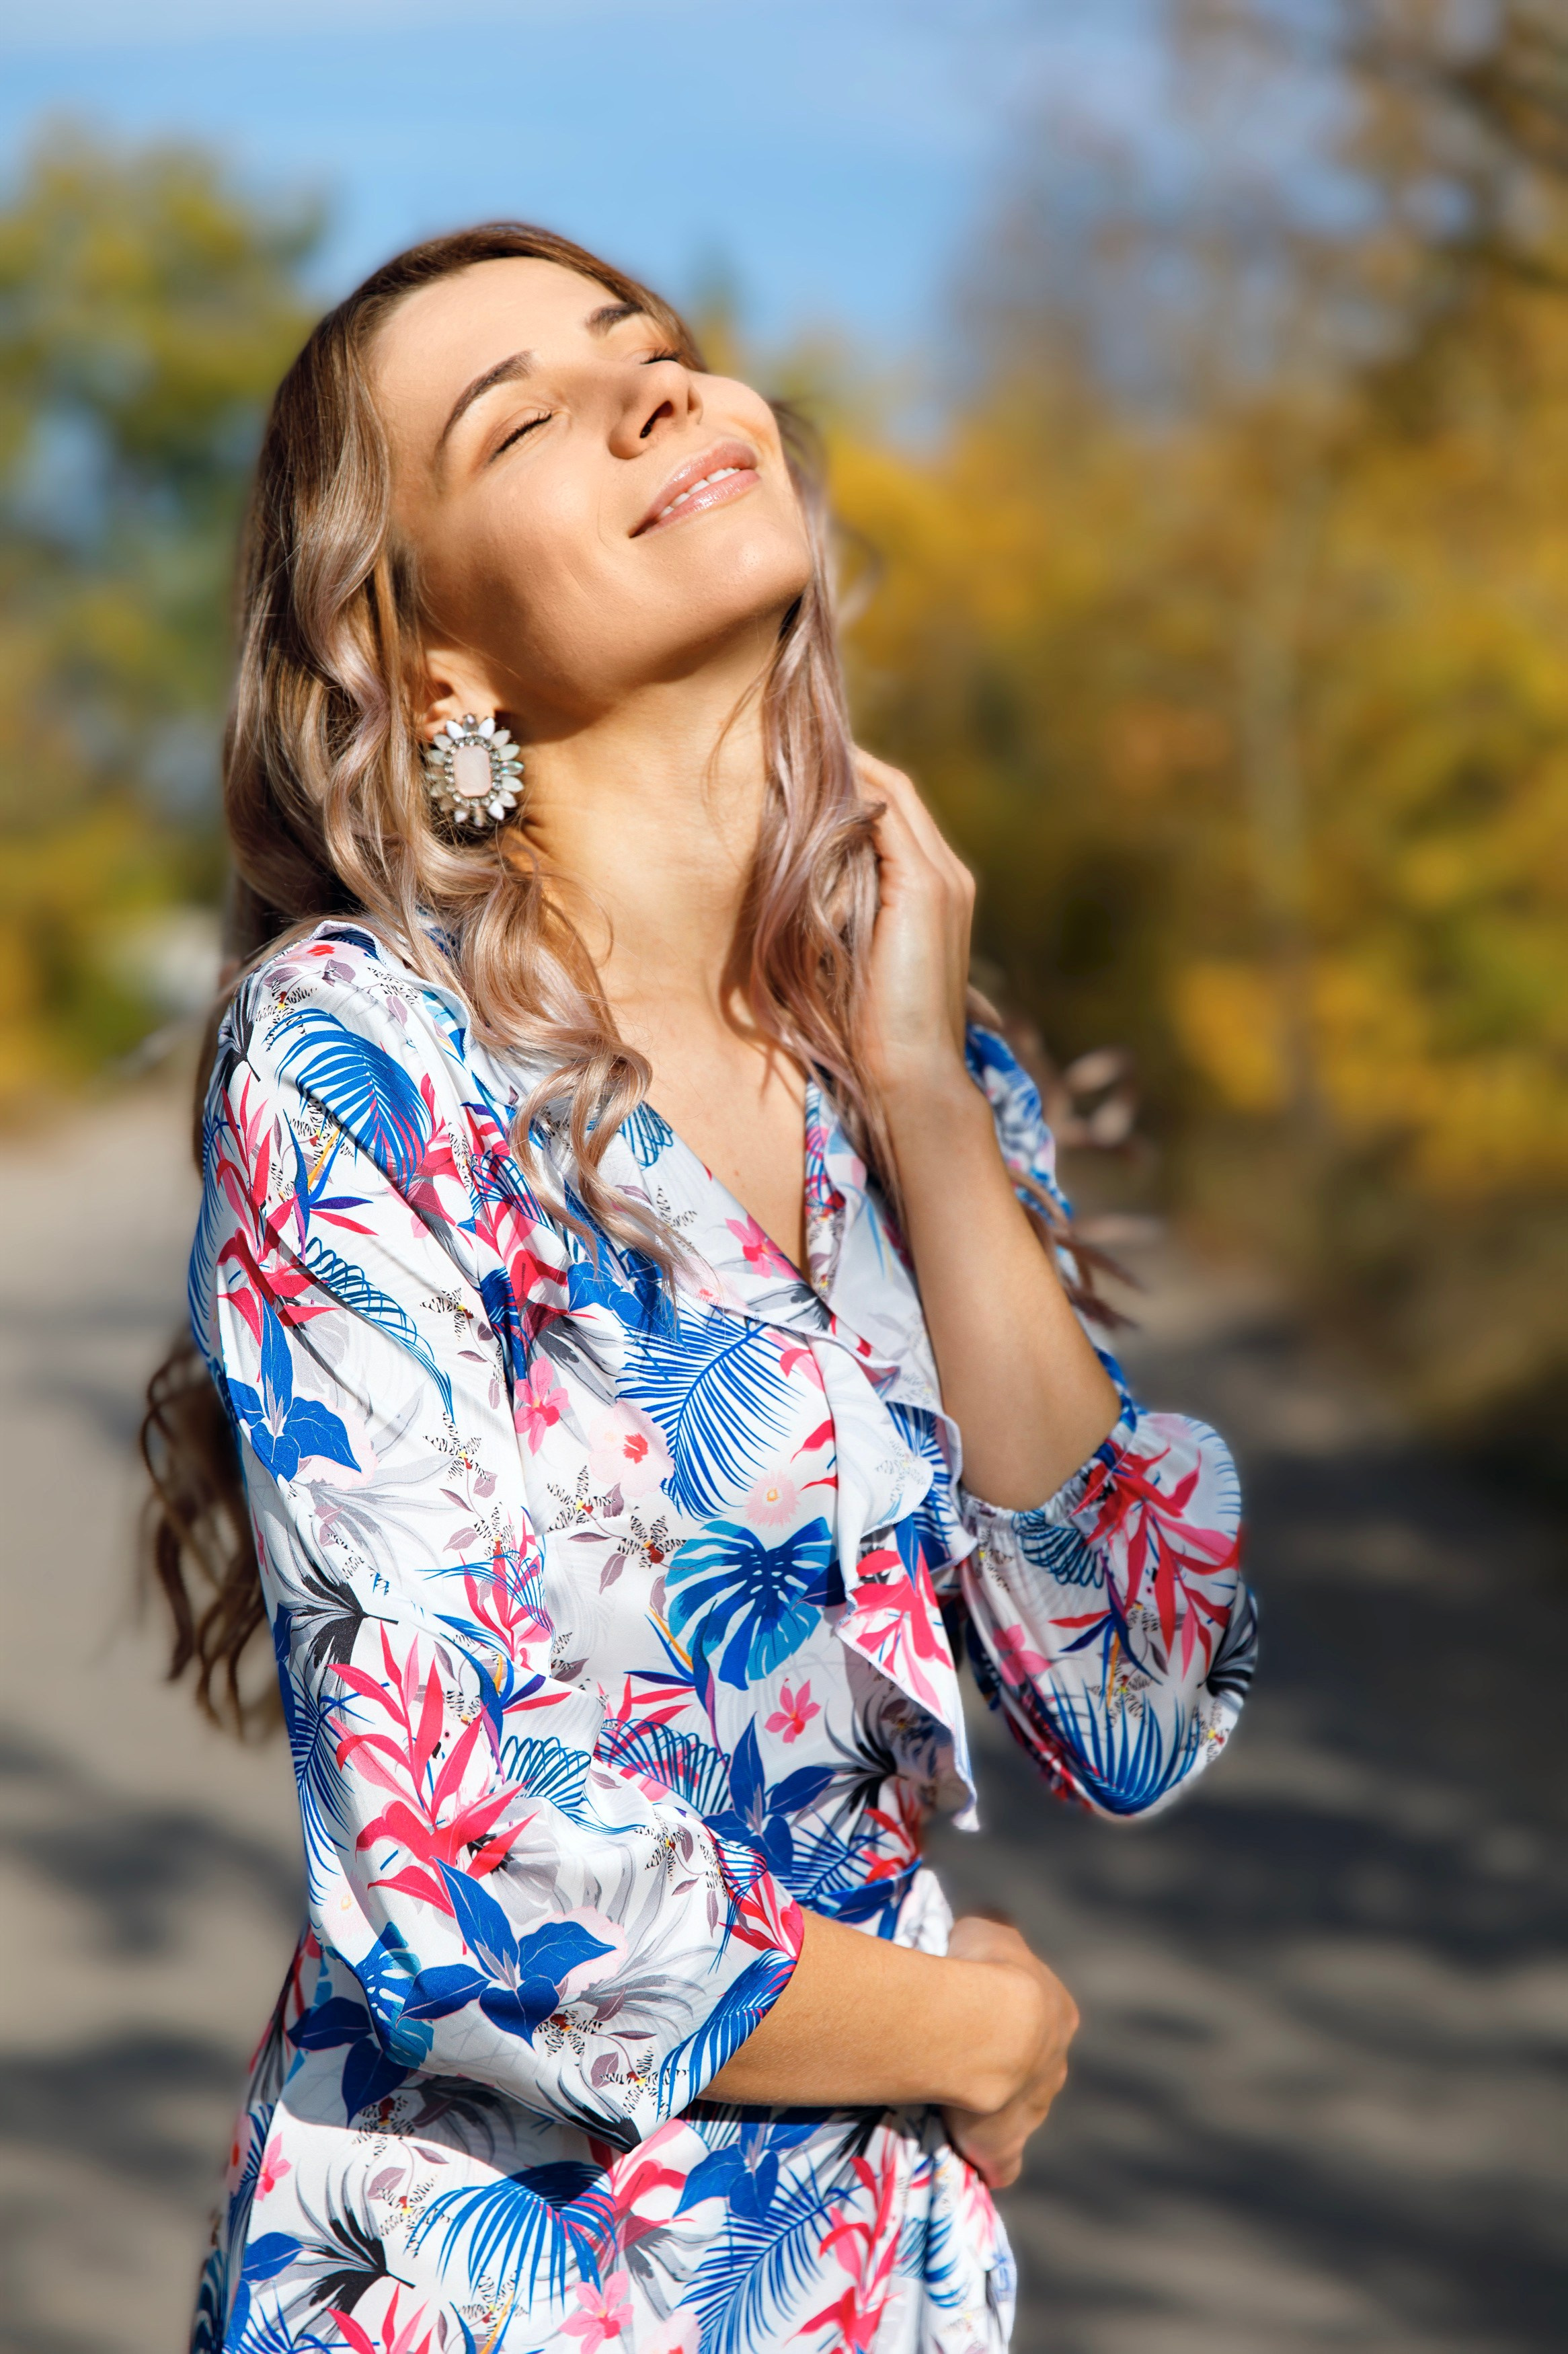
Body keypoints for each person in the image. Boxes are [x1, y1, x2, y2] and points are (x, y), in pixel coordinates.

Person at [147, 223, 1256, 2354]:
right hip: (479, 2289)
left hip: (869, 2289)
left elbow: (1134, 1693)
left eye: (652, 351)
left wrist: (929, 1093)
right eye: (525, 417)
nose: (654, 394)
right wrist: (955, 2020)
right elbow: (449, 1865)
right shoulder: (361, 1051)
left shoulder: (918, 1069)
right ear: (427, 654)